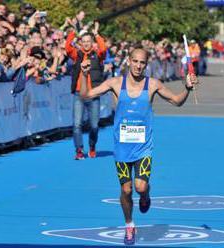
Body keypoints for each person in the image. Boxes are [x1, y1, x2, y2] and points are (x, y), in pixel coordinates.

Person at [80, 46, 198, 245]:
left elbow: (177, 101)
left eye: (142, 62)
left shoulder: (152, 85)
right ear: (128, 61)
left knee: (140, 187)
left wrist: (186, 88)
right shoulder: (116, 83)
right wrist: (84, 76)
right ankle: (129, 225)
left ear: (146, 64)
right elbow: (86, 95)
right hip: (121, 148)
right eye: (135, 61)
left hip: (143, 147)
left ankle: (146, 195)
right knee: (126, 191)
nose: (138, 65)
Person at [65, 21, 106, 160]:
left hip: (93, 94)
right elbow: (67, 47)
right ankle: (79, 150)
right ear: (81, 43)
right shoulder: (77, 55)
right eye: (84, 41)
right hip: (79, 95)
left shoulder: (98, 55)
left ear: (92, 42)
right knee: (77, 124)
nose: (86, 44)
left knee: (94, 126)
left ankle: (92, 146)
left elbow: (104, 49)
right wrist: (74, 33)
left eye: (89, 41)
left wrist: (96, 34)